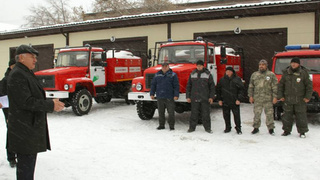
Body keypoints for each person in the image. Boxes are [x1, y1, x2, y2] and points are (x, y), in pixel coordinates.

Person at [7, 44, 65, 180]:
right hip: (24, 130)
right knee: (25, 171)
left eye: (35, 57)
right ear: (21, 58)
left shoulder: (25, 72)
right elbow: (26, 102)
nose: (35, 60)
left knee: (28, 168)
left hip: (28, 129)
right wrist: (50, 105)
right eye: (32, 56)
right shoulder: (18, 75)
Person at [277, 57, 313, 138]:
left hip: (300, 99)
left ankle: (302, 132)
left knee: (301, 116)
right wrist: (280, 96)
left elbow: (309, 86)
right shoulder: (286, 73)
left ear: (298, 64)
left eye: (295, 63)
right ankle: (286, 130)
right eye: (292, 63)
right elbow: (281, 85)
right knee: (287, 116)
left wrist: (307, 97)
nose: (293, 64)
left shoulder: (304, 73)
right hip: (288, 99)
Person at [248, 59, 278, 135]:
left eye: (263, 65)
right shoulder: (254, 75)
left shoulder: (271, 75)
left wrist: (275, 97)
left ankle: (271, 129)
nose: (261, 66)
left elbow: (275, 87)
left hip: (268, 98)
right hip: (257, 98)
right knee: (257, 114)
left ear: (266, 66)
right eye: (260, 65)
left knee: (269, 114)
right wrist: (250, 96)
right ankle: (256, 128)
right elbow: (251, 86)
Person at [186, 60, 215, 133]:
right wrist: (188, 96)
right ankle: (192, 128)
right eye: (198, 66)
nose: (199, 67)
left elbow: (212, 87)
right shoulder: (192, 74)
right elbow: (189, 86)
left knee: (206, 114)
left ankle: (207, 128)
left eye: (200, 66)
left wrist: (211, 97)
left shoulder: (208, 74)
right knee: (194, 114)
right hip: (194, 97)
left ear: (203, 66)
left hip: (205, 98)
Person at [150, 63, 179, 130]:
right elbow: (153, 85)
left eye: (166, 66)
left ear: (168, 67)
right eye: (163, 66)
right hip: (160, 96)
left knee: (171, 112)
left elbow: (176, 86)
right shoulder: (157, 74)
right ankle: (161, 125)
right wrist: (152, 93)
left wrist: (176, 95)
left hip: (170, 96)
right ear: (161, 67)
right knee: (161, 112)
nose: (164, 68)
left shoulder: (173, 75)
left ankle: (171, 126)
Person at [216, 67, 244, 134]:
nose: (227, 72)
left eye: (229, 71)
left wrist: (239, 99)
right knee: (226, 115)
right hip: (225, 100)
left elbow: (241, 90)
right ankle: (227, 127)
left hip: (234, 101)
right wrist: (219, 99)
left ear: (232, 72)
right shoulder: (222, 80)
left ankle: (238, 128)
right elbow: (218, 90)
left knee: (236, 116)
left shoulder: (237, 79)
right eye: (226, 71)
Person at [0, 58, 17, 167]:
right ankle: (11, 157)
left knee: (19, 131)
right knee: (11, 131)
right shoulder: (6, 80)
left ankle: (19, 153)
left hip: (18, 108)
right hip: (9, 109)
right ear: (11, 66)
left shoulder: (18, 77)